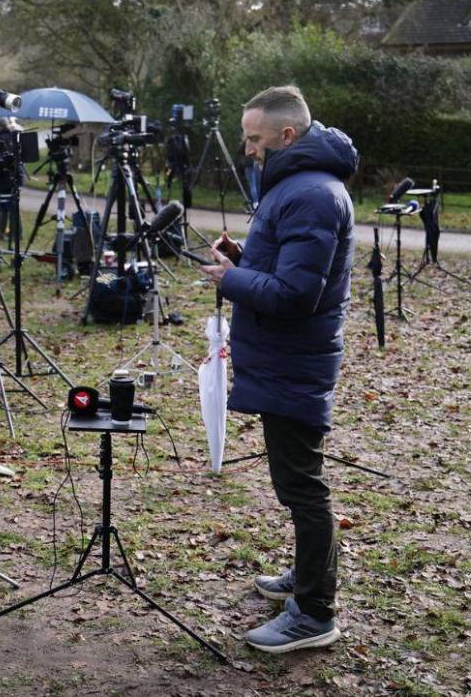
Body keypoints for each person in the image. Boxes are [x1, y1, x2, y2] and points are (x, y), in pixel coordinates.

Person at [200, 85, 357, 654]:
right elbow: (290, 269)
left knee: (301, 485)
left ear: (287, 136)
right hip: (284, 357)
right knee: (294, 483)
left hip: (295, 358)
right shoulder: (297, 184)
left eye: (254, 138)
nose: (247, 149)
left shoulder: (311, 193)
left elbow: (296, 295)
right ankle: (306, 577)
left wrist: (230, 280)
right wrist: (245, 260)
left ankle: (315, 611)